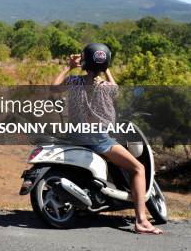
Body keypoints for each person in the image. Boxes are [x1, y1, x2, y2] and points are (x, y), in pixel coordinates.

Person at [53, 43, 163, 235]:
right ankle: (141, 220)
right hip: (98, 140)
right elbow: (116, 89)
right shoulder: (108, 88)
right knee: (139, 168)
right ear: (106, 64)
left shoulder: (74, 82)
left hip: (75, 136)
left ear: (84, 62)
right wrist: (105, 67)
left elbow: (53, 89)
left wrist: (69, 66)